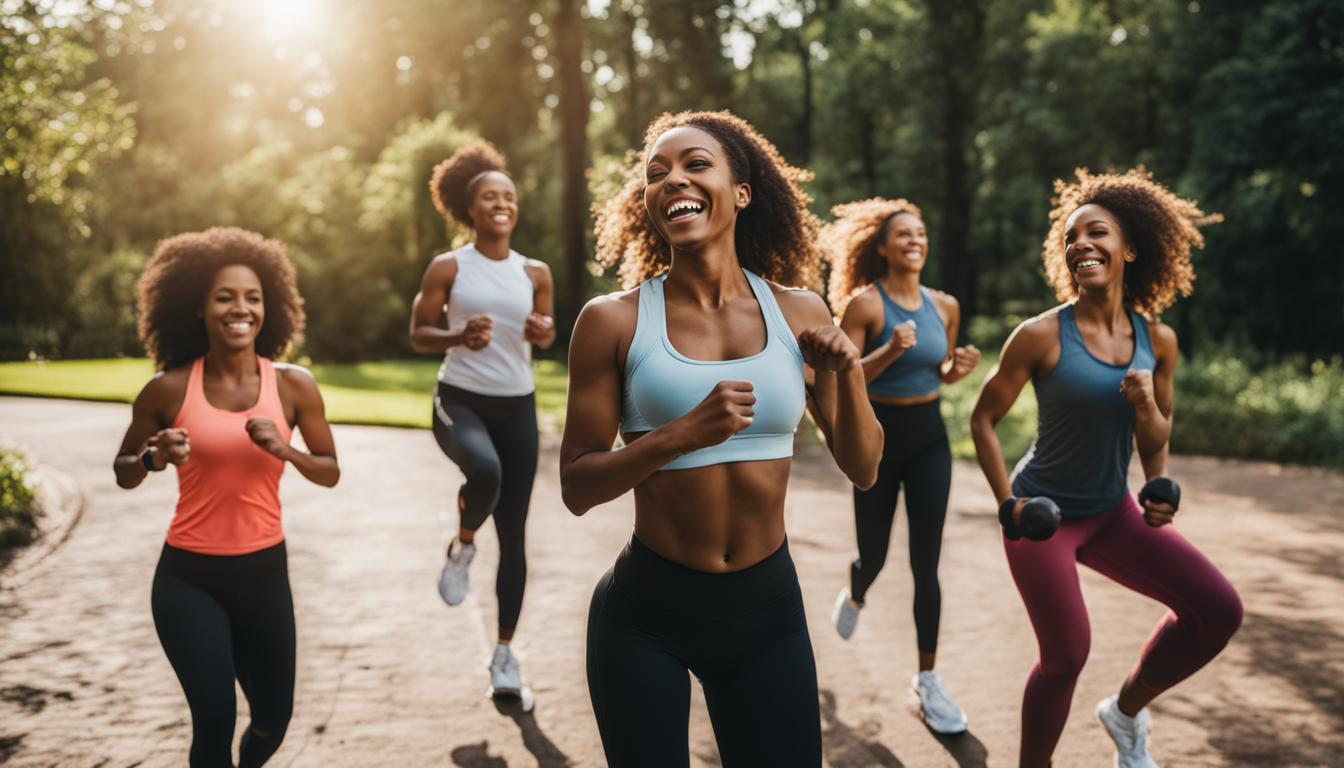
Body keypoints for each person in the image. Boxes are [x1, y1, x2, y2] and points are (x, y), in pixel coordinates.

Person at [562, 110, 884, 767]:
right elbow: (576, 486)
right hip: (646, 617)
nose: (671, 178)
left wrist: (846, 372)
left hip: (767, 615)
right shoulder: (612, 321)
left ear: (741, 192)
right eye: (656, 173)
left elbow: (865, 466)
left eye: (694, 163)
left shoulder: (801, 311)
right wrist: (678, 435)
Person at [969, 169, 1242, 767]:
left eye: (1098, 233)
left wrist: (1154, 470)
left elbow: (1158, 434)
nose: (1082, 244)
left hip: (1113, 511)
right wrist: (1006, 503)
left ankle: (1124, 711)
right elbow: (982, 420)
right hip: (1043, 515)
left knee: (1218, 611)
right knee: (1066, 653)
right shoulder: (1040, 335)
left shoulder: (1157, 340)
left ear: (1131, 249)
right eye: (1071, 238)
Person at [113, 227, 340, 767]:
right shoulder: (167, 389)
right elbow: (123, 470)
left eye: (253, 297)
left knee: (272, 720)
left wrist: (287, 451)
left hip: (264, 576)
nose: (241, 308)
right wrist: (152, 456)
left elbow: (330, 471)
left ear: (271, 309)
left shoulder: (292, 386)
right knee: (213, 718)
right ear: (199, 308)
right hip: (187, 578)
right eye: (225, 296)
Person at [821, 197, 980, 734]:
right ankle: (858, 586)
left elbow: (937, 371)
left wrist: (955, 369)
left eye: (921, 233)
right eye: (903, 234)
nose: (915, 241)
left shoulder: (945, 306)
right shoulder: (865, 306)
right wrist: (888, 349)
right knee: (876, 554)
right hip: (878, 440)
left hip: (930, 438)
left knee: (926, 562)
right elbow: (843, 382)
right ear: (883, 248)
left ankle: (928, 679)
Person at [409, 139, 555, 696]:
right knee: (486, 473)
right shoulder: (449, 267)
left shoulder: (534, 271)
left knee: (515, 537)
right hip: (461, 398)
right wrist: (457, 335)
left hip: (517, 405)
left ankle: (504, 656)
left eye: (509, 197)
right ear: (470, 210)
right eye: (490, 197)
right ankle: (464, 544)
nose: (501, 204)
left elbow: (544, 327)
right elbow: (419, 333)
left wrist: (543, 332)